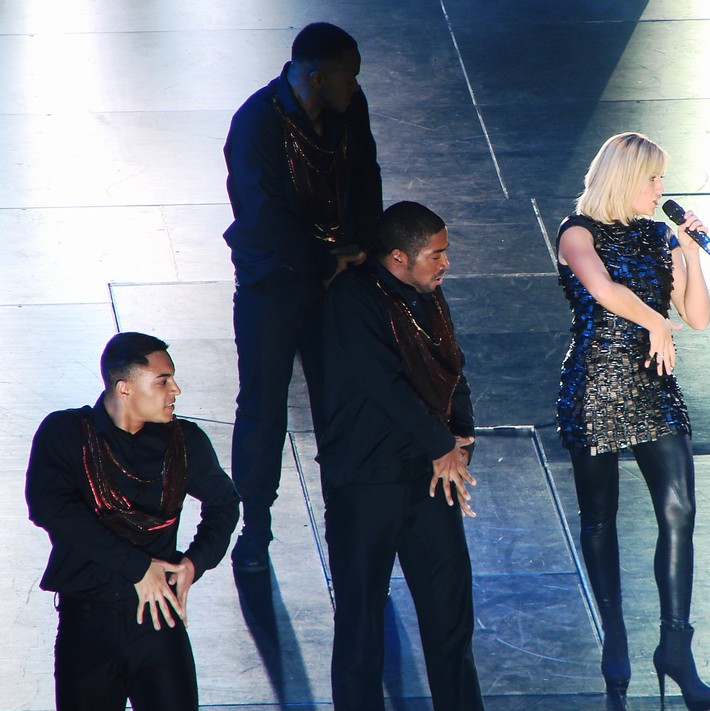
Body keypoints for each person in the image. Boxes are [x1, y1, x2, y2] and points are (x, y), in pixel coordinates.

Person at [555, 132, 710, 711]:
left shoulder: (658, 235)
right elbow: (603, 291)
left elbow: (696, 317)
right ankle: (615, 640)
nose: (660, 189)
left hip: (654, 386)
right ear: (625, 178)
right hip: (597, 384)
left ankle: (676, 646)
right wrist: (653, 321)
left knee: (680, 510)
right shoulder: (578, 233)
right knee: (600, 518)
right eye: (653, 178)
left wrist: (690, 252)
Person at [223, 22, 383, 572]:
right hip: (275, 282)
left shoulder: (348, 108)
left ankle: (348, 517)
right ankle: (255, 526)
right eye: (348, 78)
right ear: (315, 77)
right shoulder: (256, 123)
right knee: (263, 406)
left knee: (341, 403)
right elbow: (263, 216)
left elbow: (366, 176)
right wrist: (323, 263)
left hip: (336, 276)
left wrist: (362, 249)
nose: (355, 87)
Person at [316, 201, 483, 711]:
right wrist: (441, 445)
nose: (446, 263)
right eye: (436, 254)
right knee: (361, 625)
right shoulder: (353, 298)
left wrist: (461, 440)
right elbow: (383, 384)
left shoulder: (429, 294)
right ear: (397, 258)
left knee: (450, 621)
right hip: (367, 483)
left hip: (430, 477)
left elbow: (451, 368)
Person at [25, 332, 241, 711]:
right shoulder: (66, 433)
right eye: (162, 381)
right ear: (124, 388)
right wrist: (138, 568)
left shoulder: (184, 441)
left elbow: (224, 503)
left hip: (159, 620)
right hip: (89, 623)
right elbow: (50, 508)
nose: (175, 390)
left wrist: (195, 562)